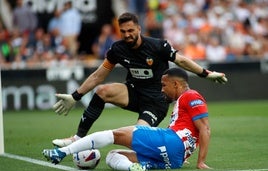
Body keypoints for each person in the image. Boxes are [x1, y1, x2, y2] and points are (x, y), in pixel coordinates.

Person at [52, 12, 227, 148]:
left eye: (131, 31)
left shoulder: (158, 46)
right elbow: (99, 75)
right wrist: (75, 96)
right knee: (102, 91)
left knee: (137, 138)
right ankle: (77, 138)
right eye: (123, 31)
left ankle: (155, 151)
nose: (127, 35)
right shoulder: (117, 49)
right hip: (133, 92)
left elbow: (181, 60)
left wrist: (206, 73)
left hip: (156, 101)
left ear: (139, 29)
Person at [43, 67, 211, 171]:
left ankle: (62, 153)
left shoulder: (191, 95)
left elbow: (205, 128)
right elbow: (191, 131)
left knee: (113, 135)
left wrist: (201, 162)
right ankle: (134, 167)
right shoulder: (182, 101)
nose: (161, 90)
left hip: (172, 143)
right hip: (174, 160)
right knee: (112, 155)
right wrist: (184, 154)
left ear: (176, 84)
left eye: (164, 85)